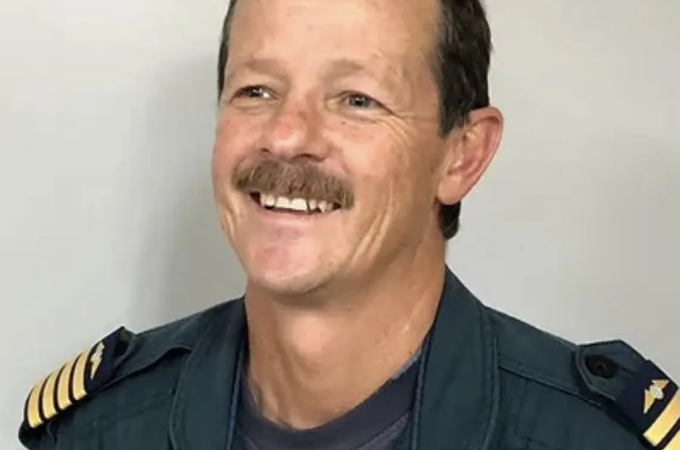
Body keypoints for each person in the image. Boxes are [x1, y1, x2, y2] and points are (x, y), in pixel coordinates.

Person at [18, 0, 677, 448]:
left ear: (462, 155)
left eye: (357, 100)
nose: (286, 137)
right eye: (256, 90)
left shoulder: (591, 436)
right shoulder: (96, 429)